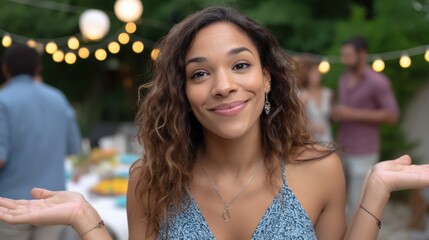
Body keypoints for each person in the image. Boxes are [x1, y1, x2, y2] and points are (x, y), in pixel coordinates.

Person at [0, 7, 429, 240]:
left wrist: (375, 191)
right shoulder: (151, 180)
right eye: (200, 73)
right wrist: (84, 218)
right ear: (182, 94)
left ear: (266, 79)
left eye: (240, 65)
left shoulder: (319, 171)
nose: (223, 86)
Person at [0, 44, 82, 240]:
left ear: (6, 68)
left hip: (11, 205)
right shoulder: (58, 98)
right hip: (52, 202)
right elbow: (74, 147)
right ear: (38, 68)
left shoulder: (2, 100)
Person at [331, 37, 400, 217]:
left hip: (364, 151)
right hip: (342, 147)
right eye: (343, 55)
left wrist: (352, 113)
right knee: (336, 200)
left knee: (358, 204)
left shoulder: (378, 81)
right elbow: (344, 109)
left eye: (348, 55)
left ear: (362, 54)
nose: (344, 59)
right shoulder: (343, 79)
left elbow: (392, 115)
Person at [296, 54, 333, 144]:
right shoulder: (301, 95)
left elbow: (329, 119)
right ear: (305, 73)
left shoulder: (327, 93)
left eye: (318, 70)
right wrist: (311, 127)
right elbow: (294, 122)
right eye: (313, 71)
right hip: (311, 142)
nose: (318, 74)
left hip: (327, 139)